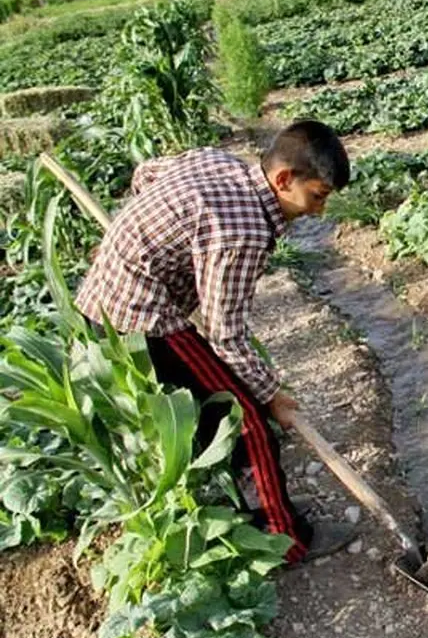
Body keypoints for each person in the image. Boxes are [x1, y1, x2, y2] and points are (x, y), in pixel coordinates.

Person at [75, 119, 357, 564]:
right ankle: (285, 541)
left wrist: (133, 238)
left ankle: (239, 508)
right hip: (138, 319)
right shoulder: (242, 231)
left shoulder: (219, 161)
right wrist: (271, 396)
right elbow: (225, 334)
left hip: (107, 299)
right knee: (241, 418)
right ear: (283, 180)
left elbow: (146, 174)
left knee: (211, 410)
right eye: (317, 197)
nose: (319, 212)